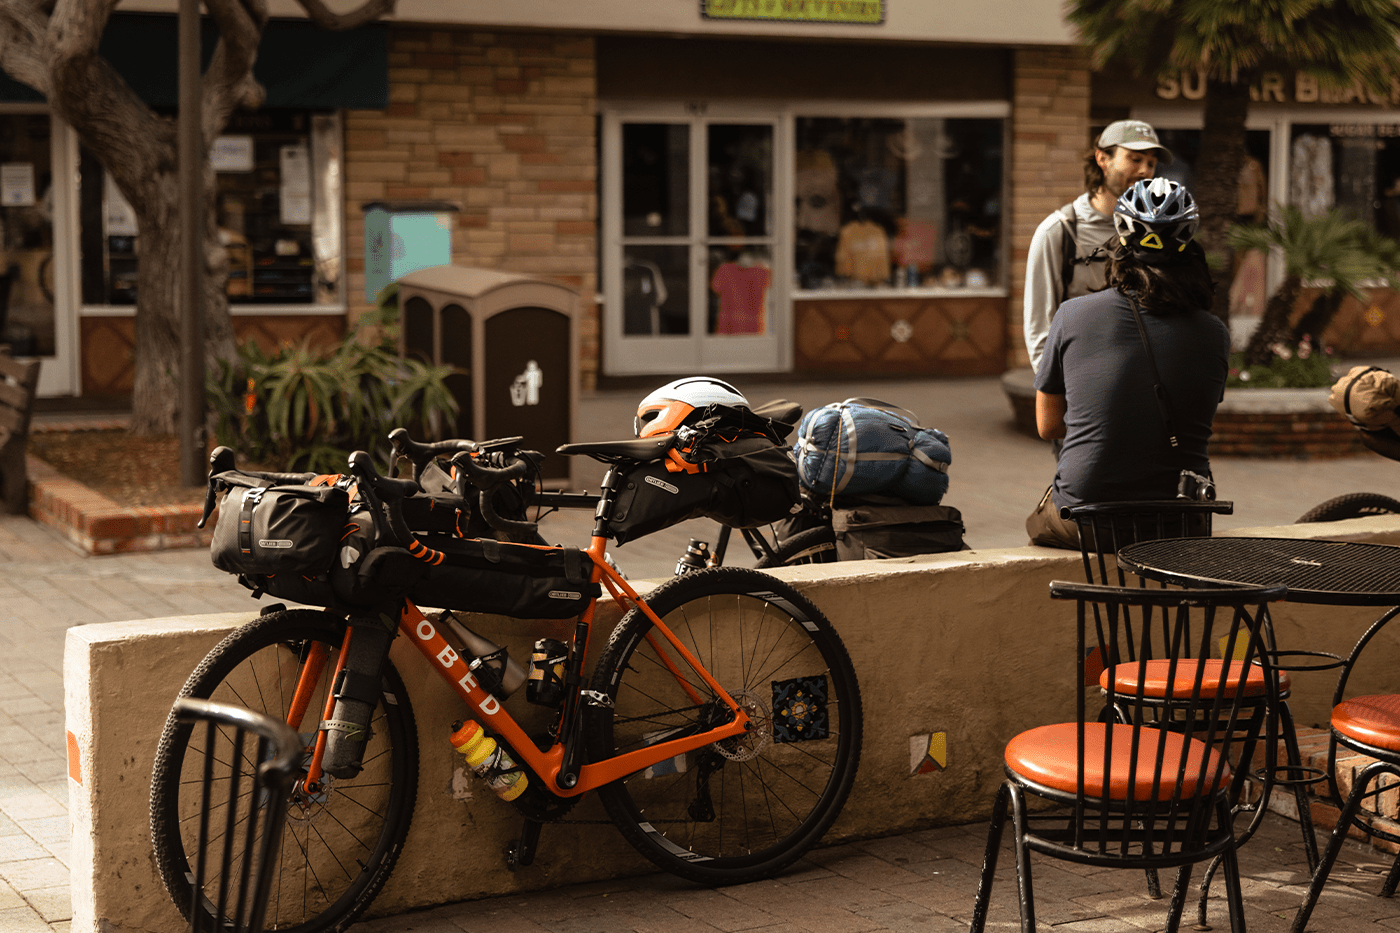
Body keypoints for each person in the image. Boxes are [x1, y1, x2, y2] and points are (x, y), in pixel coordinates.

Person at [1025, 177, 1229, 550]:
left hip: (1089, 519)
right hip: (1182, 522)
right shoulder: (1214, 332)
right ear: (1189, 249)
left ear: (1118, 245)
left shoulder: (1072, 315)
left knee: (1036, 523)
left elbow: (1048, 425)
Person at [1023, 119, 1173, 375]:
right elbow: (1039, 331)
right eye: (1135, 159)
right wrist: (1060, 392)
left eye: (1151, 163)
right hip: (1082, 382)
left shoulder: (1154, 230)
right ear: (1102, 159)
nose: (1145, 171)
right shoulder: (1059, 232)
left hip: (1143, 382)